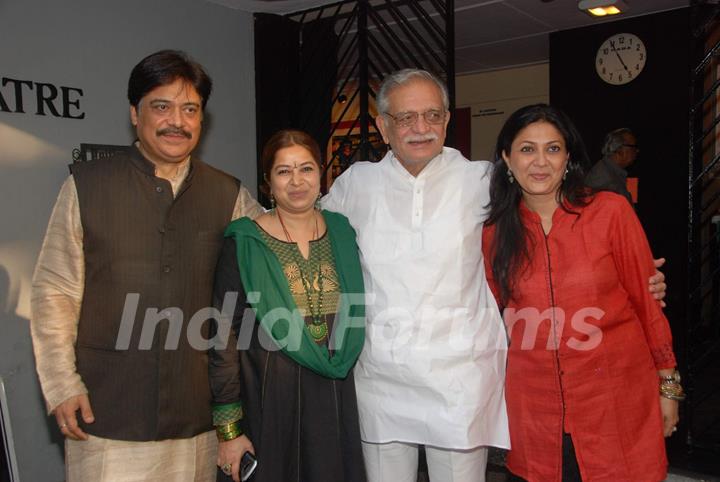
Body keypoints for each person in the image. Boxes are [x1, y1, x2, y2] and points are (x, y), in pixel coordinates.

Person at [30, 50, 263, 481]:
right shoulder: (87, 185)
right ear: (135, 113)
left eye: (190, 109)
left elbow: (271, 262)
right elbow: (55, 290)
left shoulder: (229, 194)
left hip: (197, 420)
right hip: (108, 416)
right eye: (162, 106)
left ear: (201, 119)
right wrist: (61, 383)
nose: (177, 120)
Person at [322, 69, 510, 481]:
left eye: (432, 115)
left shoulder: (482, 180)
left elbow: (544, 225)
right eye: (406, 118)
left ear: (446, 120)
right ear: (383, 126)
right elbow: (300, 231)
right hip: (381, 372)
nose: (420, 128)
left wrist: (631, 270)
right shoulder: (356, 184)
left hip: (460, 373)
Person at [482, 104, 681, 482]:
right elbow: (491, 314)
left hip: (614, 396)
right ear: (507, 158)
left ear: (568, 157)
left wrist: (668, 384)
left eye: (553, 149)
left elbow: (647, 303)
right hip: (535, 408)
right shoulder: (493, 235)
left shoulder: (609, 212)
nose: (540, 162)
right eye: (527, 149)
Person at [209, 129, 366, 482]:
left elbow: (352, 313)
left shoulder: (342, 232)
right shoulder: (245, 241)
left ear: (322, 174)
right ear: (267, 182)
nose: (297, 181)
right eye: (283, 171)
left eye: (306, 169)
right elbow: (223, 336)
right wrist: (229, 430)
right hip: (267, 400)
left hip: (333, 396)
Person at [585, 127, 639, 203]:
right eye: (633, 147)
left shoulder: (613, 172)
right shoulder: (602, 176)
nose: (637, 151)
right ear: (620, 150)